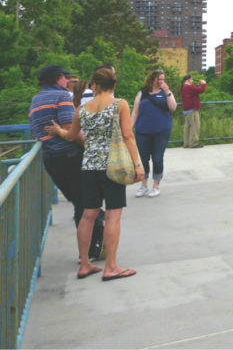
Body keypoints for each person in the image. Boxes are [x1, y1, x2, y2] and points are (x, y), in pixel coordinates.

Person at [45, 66, 144, 281]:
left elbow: (71, 136)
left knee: (88, 215)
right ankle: (111, 267)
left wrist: (58, 131)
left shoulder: (82, 108)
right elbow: (128, 136)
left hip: (89, 167)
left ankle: (85, 264)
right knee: (113, 215)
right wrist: (138, 165)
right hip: (113, 167)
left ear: (94, 85)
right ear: (114, 84)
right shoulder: (120, 104)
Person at [30, 65, 103, 261]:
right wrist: (90, 148)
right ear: (57, 78)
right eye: (65, 77)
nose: (67, 81)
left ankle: (92, 247)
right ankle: (89, 252)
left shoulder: (36, 99)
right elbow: (70, 130)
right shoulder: (61, 97)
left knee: (80, 201)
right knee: (85, 203)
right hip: (70, 156)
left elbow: (35, 130)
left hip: (50, 159)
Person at [130, 70, 176, 198]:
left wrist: (167, 92)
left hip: (161, 131)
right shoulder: (142, 93)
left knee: (157, 158)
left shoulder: (166, 93)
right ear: (152, 79)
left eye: (163, 79)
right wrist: (128, 129)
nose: (161, 81)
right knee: (143, 159)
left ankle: (156, 185)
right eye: (159, 79)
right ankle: (143, 185)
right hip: (142, 131)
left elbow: (173, 107)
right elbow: (135, 113)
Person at [180, 74, 207, 149]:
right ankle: (193, 143)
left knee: (188, 127)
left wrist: (198, 84)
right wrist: (204, 84)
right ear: (187, 80)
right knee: (195, 126)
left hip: (187, 109)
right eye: (191, 79)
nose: (192, 81)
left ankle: (187, 143)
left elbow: (194, 89)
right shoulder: (189, 87)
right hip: (192, 109)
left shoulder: (183, 87)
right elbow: (201, 90)